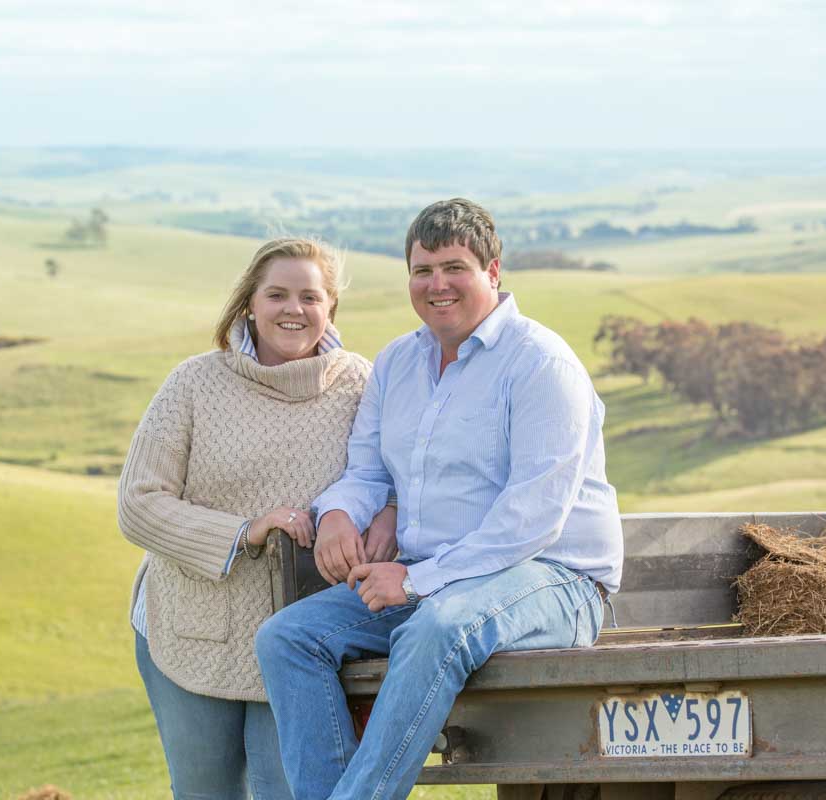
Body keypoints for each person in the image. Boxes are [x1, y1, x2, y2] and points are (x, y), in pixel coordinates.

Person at [255, 199, 624, 800]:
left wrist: (415, 580)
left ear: (493, 272)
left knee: (436, 627)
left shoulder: (541, 363)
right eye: (422, 270)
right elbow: (368, 470)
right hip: (434, 580)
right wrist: (339, 513)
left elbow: (531, 520)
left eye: (454, 268)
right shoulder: (398, 363)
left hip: (554, 578)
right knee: (287, 638)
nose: (436, 284)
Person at [117, 237, 397, 800]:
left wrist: (388, 514)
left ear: (330, 306)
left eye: (310, 297)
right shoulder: (194, 383)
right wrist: (244, 532)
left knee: (290, 791)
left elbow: (399, 476)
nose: (294, 309)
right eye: (277, 295)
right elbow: (138, 504)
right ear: (249, 303)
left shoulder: (363, 384)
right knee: (205, 792)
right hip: (190, 624)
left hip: (306, 637)